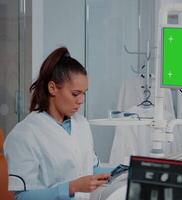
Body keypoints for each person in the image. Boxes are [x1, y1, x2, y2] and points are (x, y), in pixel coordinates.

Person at [4, 47, 112, 200]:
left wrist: (126, 170)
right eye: (75, 93)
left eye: (83, 93)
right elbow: (22, 196)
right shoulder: (25, 134)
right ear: (52, 88)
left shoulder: (81, 124)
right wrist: (71, 187)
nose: (81, 100)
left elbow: (90, 168)